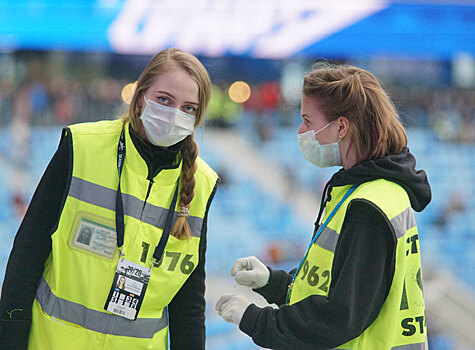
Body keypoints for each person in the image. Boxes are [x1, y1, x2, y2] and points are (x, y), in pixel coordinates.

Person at [0, 48, 219, 349]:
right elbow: (27, 255)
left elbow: (188, 304)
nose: (174, 115)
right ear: (141, 96)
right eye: (164, 100)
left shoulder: (203, 184)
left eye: (188, 108)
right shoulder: (81, 147)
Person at [215, 63, 431, 349]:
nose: (301, 130)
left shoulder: (367, 207)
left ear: (341, 126)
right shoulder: (379, 192)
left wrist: (254, 318)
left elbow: (339, 316)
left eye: (307, 120)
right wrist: (272, 282)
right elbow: (335, 284)